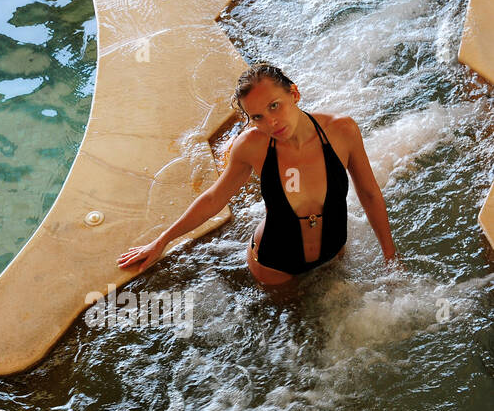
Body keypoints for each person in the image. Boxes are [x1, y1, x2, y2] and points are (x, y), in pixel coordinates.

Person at [118, 63, 398, 284]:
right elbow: (215, 199)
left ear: (294, 94)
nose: (271, 122)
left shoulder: (341, 131)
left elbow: (370, 194)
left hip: (333, 252)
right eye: (257, 117)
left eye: (274, 105)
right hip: (275, 266)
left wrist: (391, 258)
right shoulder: (252, 147)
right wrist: (161, 241)